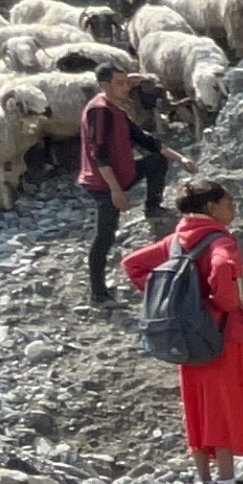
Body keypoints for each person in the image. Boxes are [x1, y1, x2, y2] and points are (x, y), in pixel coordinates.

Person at [120, 178, 243, 484]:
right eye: (229, 203)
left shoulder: (174, 242)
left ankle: (204, 480)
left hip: (184, 336)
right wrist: (220, 304)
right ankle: (227, 482)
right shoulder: (221, 241)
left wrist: (175, 303)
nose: (233, 210)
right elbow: (223, 271)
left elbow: (132, 265)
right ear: (211, 206)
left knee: (196, 404)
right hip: (219, 334)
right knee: (224, 403)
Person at [78, 63, 168, 304]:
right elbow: (100, 154)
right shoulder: (99, 111)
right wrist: (116, 191)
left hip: (121, 174)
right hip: (103, 183)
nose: (126, 87)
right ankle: (97, 292)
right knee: (105, 235)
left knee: (156, 161)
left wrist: (180, 158)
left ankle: (153, 207)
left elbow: (142, 139)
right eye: (120, 83)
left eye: (127, 82)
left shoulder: (115, 110)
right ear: (105, 85)